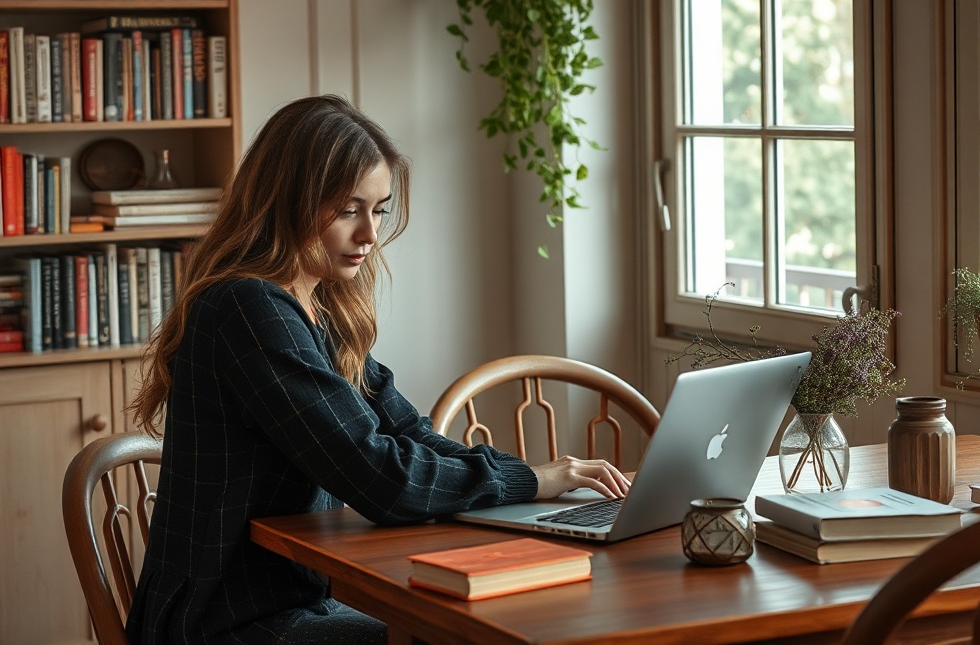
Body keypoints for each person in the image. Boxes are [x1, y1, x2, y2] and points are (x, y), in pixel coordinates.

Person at [125, 94, 630, 644]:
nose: (370, 233)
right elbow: (382, 477)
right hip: (223, 623)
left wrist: (538, 485)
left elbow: (406, 433)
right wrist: (529, 480)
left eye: (379, 209)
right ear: (287, 199)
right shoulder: (247, 309)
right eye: (348, 210)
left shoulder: (321, 307)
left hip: (296, 603)